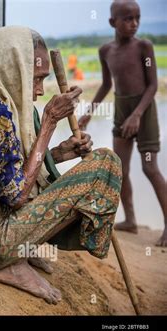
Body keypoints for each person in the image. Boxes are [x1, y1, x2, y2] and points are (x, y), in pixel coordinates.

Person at [0, 26, 122, 304]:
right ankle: (7, 259)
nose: (39, 90)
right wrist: (50, 121)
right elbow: (15, 196)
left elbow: (6, 172)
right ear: (13, 69)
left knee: (50, 174)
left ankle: (18, 252)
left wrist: (61, 153)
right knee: (105, 162)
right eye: (35, 79)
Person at [78, 0, 167, 246]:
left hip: (143, 111)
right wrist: (89, 111)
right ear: (112, 22)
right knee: (120, 169)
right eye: (128, 18)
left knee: (150, 168)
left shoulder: (144, 47)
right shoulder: (105, 51)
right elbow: (107, 84)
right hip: (121, 109)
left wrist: (137, 115)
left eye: (137, 17)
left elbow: (153, 85)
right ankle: (130, 219)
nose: (134, 23)